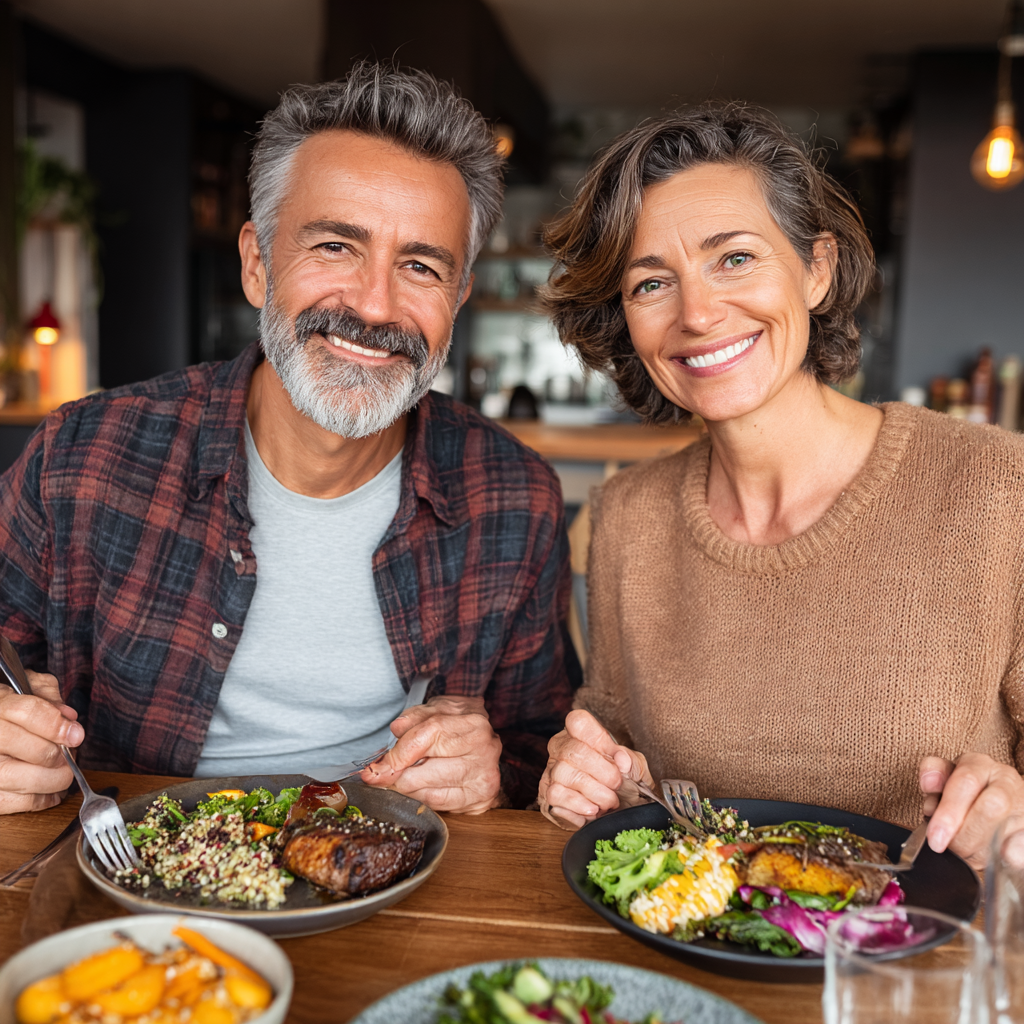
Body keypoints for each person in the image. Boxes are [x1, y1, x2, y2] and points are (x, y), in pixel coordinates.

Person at [0, 63, 575, 816]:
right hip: (129, 885)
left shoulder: (516, 497)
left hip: (390, 881)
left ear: (459, 296)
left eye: (421, 265)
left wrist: (497, 776)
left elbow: (543, 749)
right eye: (335, 246)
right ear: (256, 262)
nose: (375, 305)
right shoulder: (80, 458)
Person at [536, 102, 1024, 868]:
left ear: (817, 270)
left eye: (734, 258)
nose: (697, 313)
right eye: (651, 283)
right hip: (694, 956)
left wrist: (1014, 826)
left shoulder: (999, 489)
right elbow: (618, 763)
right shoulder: (627, 516)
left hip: (917, 969)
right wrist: (595, 779)